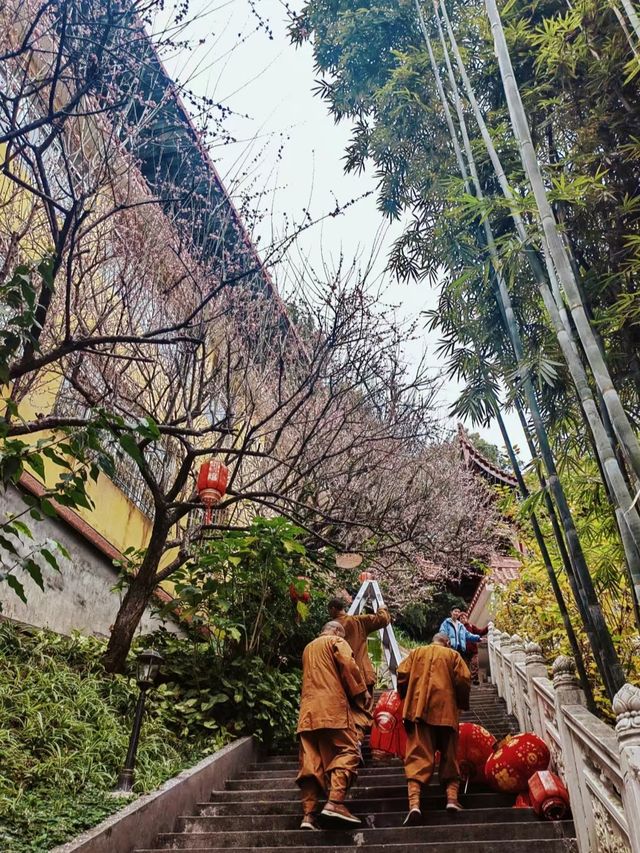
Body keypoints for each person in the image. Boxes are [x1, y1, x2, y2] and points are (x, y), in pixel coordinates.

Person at [296, 620, 369, 829]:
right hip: (332, 708)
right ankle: (335, 802)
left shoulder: (308, 648)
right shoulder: (336, 641)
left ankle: (309, 815)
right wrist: (360, 692)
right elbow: (348, 664)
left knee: (310, 763)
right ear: (337, 631)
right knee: (349, 751)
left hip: (308, 713)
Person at [397, 632, 471, 825]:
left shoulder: (416, 652)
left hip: (419, 712)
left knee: (416, 756)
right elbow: (464, 678)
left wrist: (405, 694)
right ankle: (452, 800)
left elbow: (402, 673)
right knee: (450, 756)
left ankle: (414, 804)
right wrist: (461, 703)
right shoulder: (452, 655)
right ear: (447, 642)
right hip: (446, 712)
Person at [327, 596, 391, 742]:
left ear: (333, 609)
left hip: (340, 679)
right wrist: (382, 607)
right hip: (362, 674)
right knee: (363, 712)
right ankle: (358, 743)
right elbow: (383, 619)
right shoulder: (358, 621)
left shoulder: (330, 628)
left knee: (346, 713)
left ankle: (349, 744)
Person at [459, 611, 488, 685]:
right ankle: (466, 680)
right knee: (464, 666)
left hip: (473, 651)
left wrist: (488, 627)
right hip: (463, 651)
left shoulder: (471, 626)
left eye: (464, 618)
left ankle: (475, 679)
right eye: (461, 618)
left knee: (475, 664)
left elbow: (480, 632)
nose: (462, 620)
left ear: (467, 619)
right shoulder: (458, 628)